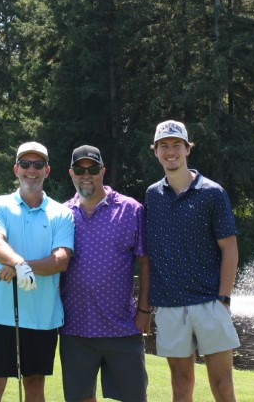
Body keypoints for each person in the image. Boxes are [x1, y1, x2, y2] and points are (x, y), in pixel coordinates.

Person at [145, 120, 240, 402]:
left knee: (222, 385)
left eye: (177, 145)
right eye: (164, 146)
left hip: (210, 301)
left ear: (188, 149)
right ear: (156, 151)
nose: (170, 152)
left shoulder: (212, 192)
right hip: (170, 305)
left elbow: (230, 248)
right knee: (181, 384)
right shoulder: (152, 195)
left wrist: (224, 298)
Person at [0, 142, 75, 402]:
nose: (31, 170)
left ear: (47, 170)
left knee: (34, 384)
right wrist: (19, 264)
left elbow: (61, 260)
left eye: (38, 165)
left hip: (42, 316)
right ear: (16, 169)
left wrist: (19, 267)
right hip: (1, 315)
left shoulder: (61, 212)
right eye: (25, 164)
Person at [60, 145, 151, 402]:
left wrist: (145, 310)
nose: (86, 175)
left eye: (92, 169)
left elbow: (145, 262)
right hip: (75, 329)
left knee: (134, 398)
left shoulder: (130, 209)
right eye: (80, 169)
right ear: (71, 173)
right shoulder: (62, 214)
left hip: (122, 328)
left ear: (103, 171)